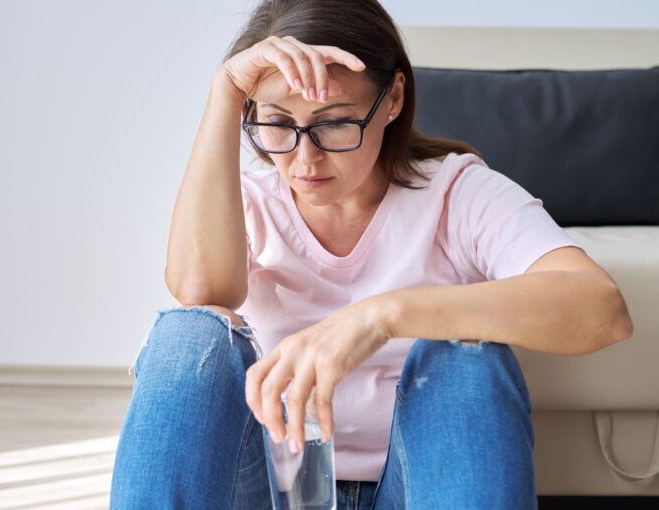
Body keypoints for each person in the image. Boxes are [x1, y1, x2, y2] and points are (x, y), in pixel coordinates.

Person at [110, 1, 633, 508]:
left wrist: (382, 317)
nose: (304, 157)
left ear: (393, 99)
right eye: (278, 123)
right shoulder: (246, 202)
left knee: (465, 359)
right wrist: (224, 93)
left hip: (416, 490)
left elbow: (601, 310)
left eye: (335, 122)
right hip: (276, 487)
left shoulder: (457, 193)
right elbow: (201, 292)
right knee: (189, 334)